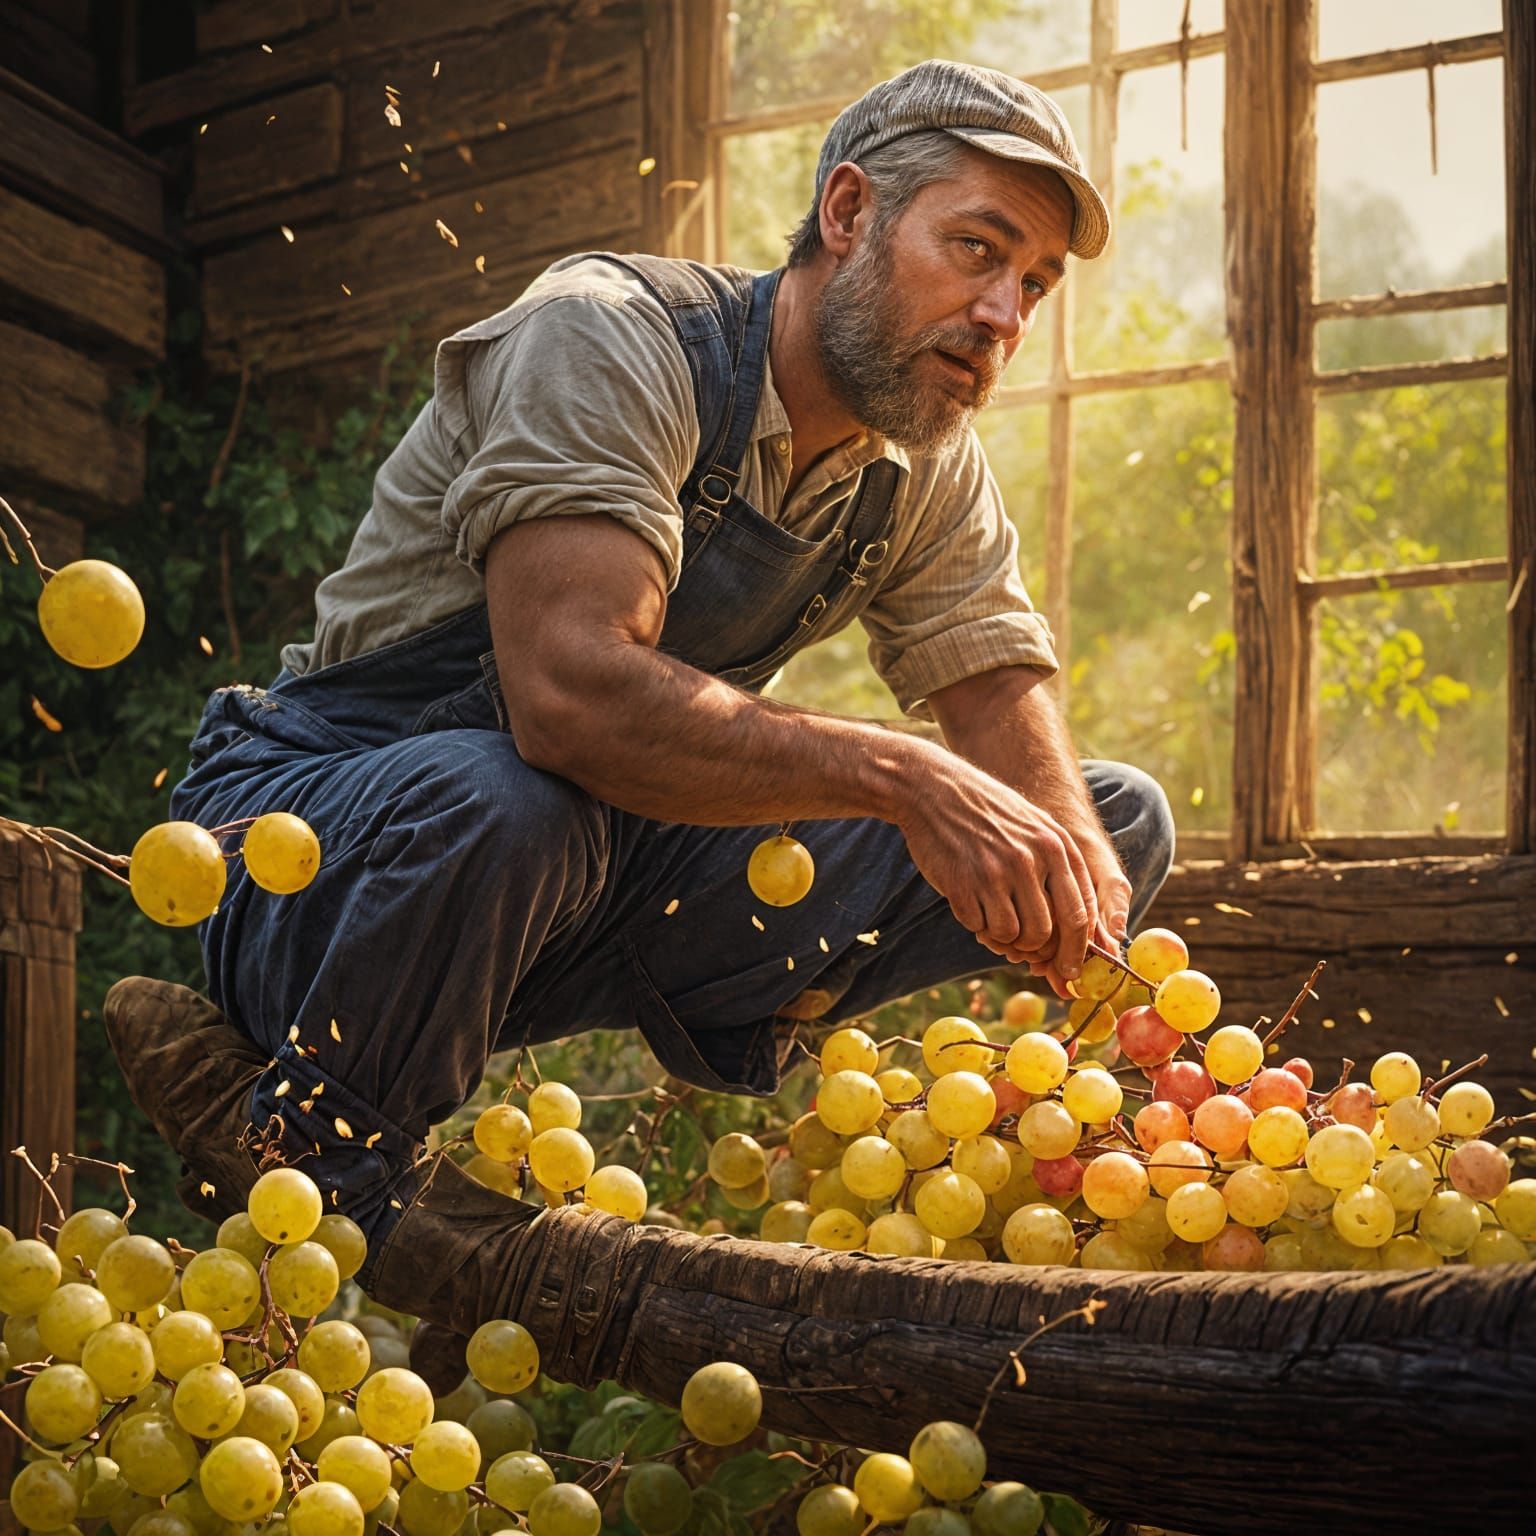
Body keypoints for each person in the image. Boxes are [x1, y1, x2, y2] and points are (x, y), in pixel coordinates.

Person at [106, 60, 1174, 1326]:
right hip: (315, 858)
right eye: (976, 249)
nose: (1003, 311)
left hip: (571, 880)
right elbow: (565, 695)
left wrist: (1081, 901)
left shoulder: (920, 465)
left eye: (1034, 285)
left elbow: (995, 684)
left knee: (1115, 817)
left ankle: (676, 1045)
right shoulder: (611, 332)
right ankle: (315, 1163)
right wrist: (907, 774)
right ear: (848, 215)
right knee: (510, 794)